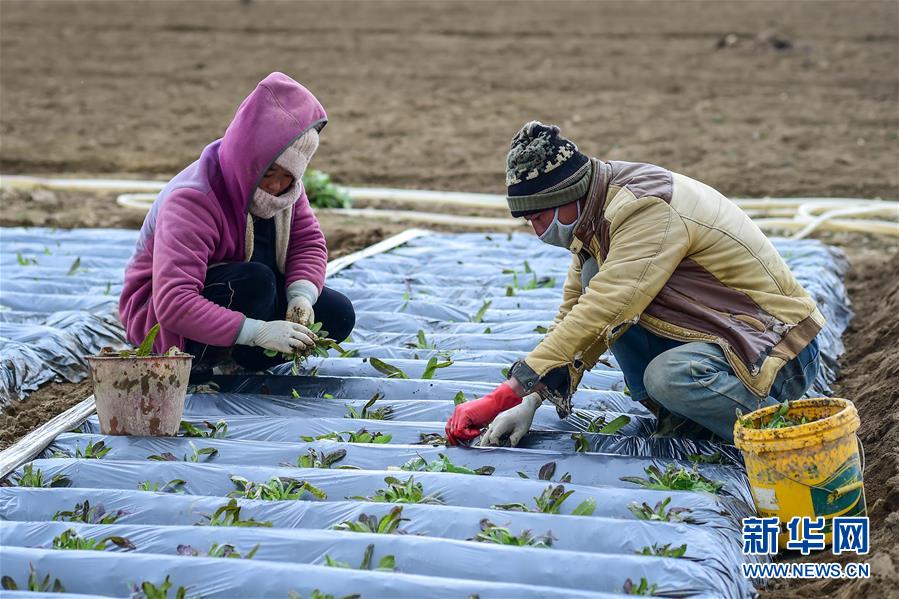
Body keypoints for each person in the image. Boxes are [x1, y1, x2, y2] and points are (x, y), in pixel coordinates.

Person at [446, 121, 822, 446]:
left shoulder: (645, 207)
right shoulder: (594, 217)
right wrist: (527, 402)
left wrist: (502, 396)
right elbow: (574, 314)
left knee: (668, 377)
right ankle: (689, 419)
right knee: (597, 278)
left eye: (540, 217)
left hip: (779, 351)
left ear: (566, 196)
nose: (538, 231)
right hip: (729, 338)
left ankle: (793, 436)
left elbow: (605, 307)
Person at [120, 72, 355, 372]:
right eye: (270, 174)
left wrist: (301, 296)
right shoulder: (194, 198)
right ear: (250, 159)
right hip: (163, 325)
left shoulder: (289, 192)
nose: (276, 186)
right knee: (256, 282)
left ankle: (243, 363)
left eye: (287, 177)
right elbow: (174, 303)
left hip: (246, 298)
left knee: (336, 313)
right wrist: (256, 332)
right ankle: (208, 364)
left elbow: (307, 242)